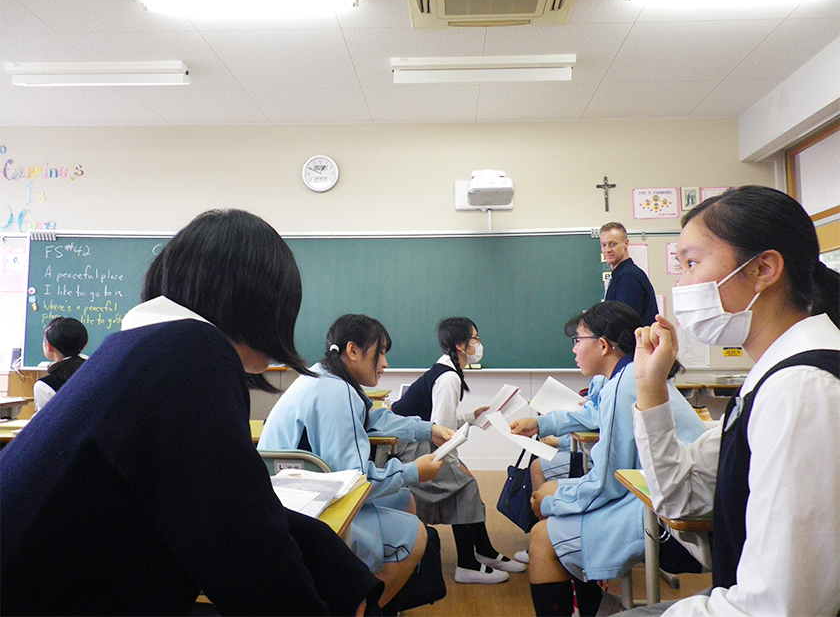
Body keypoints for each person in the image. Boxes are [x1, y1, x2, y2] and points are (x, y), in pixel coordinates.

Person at [0, 209, 383, 616]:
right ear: (260, 301)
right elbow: (243, 550)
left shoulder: (136, 348)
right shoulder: (194, 354)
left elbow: (236, 509)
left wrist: (337, 568)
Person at [630, 186, 840, 616]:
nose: (682, 283)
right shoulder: (770, 377)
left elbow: (780, 606)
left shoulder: (801, 386)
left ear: (764, 268)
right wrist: (650, 386)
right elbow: (681, 498)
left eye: (691, 264)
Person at [509, 301, 708, 617]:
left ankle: (594, 606)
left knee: (542, 536)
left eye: (577, 341)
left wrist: (551, 502)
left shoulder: (625, 382)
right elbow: (608, 459)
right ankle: (596, 607)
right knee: (554, 507)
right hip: (669, 496)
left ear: (602, 345)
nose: (573, 350)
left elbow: (606, 482)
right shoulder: (628, 374)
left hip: (674, 515)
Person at [258, 314, 453, 607]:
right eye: (381, 352)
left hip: (288, 499)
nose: (385, 364)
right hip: (309, 512)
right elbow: (356, 480)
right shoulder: (336, 391)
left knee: (404, 499)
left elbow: (372, 417)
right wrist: (414, 470)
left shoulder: (322, 376)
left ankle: (361, 586)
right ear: (353, 351)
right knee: (417, 535)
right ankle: (359, 607)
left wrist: (428, 429)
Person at [391, 317, 525, 584]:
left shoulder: (447, 370)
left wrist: (471, 418)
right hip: (410, 447)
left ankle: (483, 552)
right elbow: (440, 432)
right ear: (461, 345)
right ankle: (468, 563)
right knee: (465, 485)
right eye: (475, 339)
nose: (479, 344)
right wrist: (456, 463)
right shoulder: (449, 376)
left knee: (465, 483)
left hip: (416, 439)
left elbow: (440, 424)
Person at [600, 222, 658, 326]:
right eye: (604, 245)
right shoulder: (618, 276)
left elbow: (624, 322)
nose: (607, 250)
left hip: (635, 342)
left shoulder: (629, 276)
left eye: (613, 244)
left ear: (626, 244)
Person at [33, 316, 88, 411]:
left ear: (48, 346)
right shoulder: (99, 371)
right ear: (85, 345)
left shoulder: (44, 386)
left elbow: (47, 422)